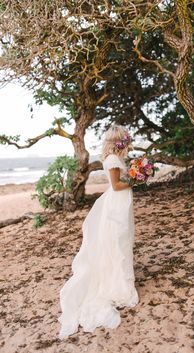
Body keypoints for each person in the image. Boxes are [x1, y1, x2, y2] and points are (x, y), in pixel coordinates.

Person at [58, 124, 139, 339]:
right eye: (125, 138)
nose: (127, 141)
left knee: (122, 241)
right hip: (117, 204)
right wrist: (134, 180)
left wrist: (134, 177)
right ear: (119, 140)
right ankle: (118, 284)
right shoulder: (112, 160)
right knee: (118, 243)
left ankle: (121, 278)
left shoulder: (115, 158)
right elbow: (115, 185)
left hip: (121, 203)